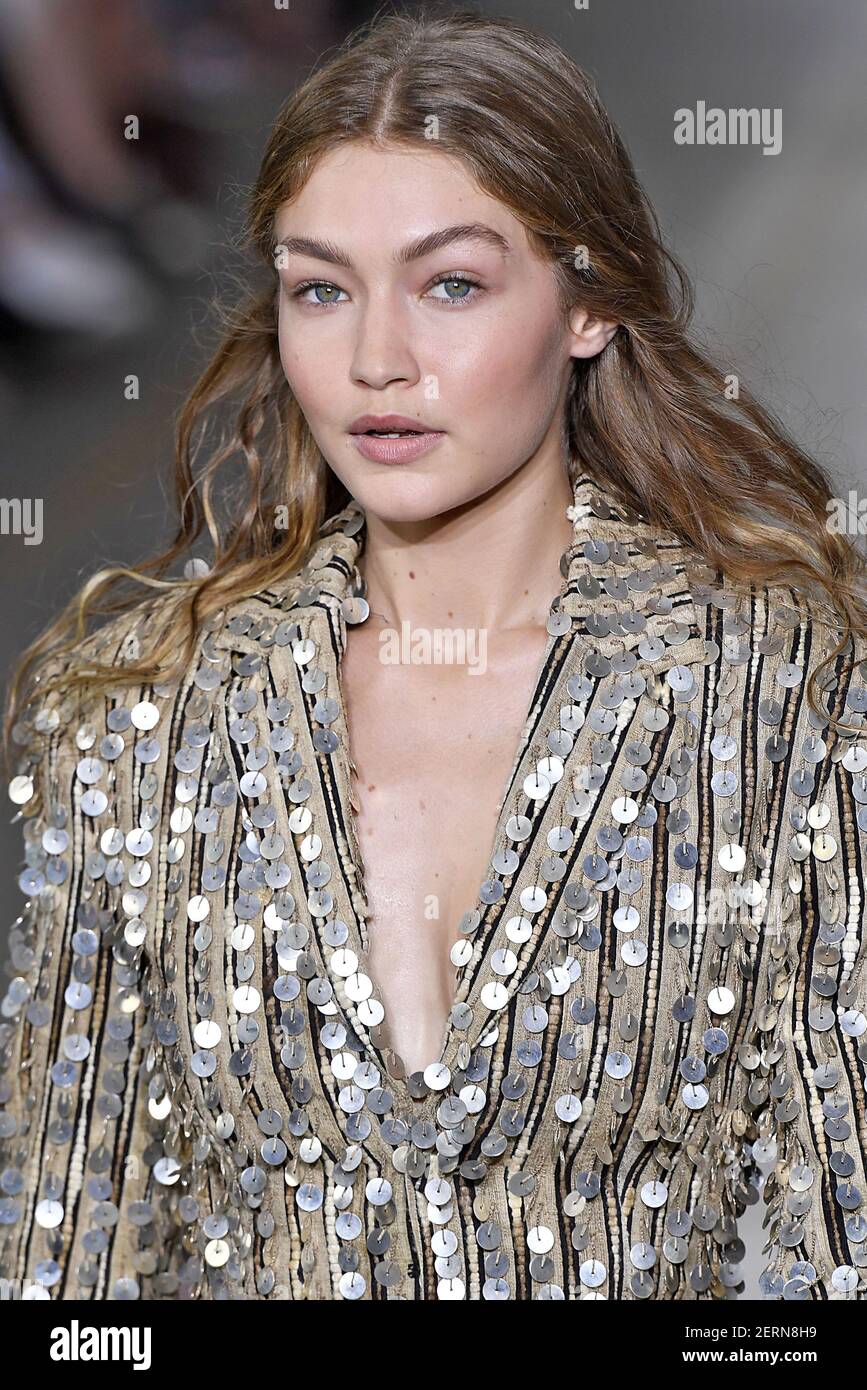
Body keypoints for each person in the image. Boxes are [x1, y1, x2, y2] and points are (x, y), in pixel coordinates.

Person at [2, 8, 867, 1302]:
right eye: (320, 288)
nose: (373, 361)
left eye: (450, 283)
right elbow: (70, 1269)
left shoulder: (774, 688)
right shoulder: (140, 715)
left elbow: (839, 1231)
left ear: (586, 303)